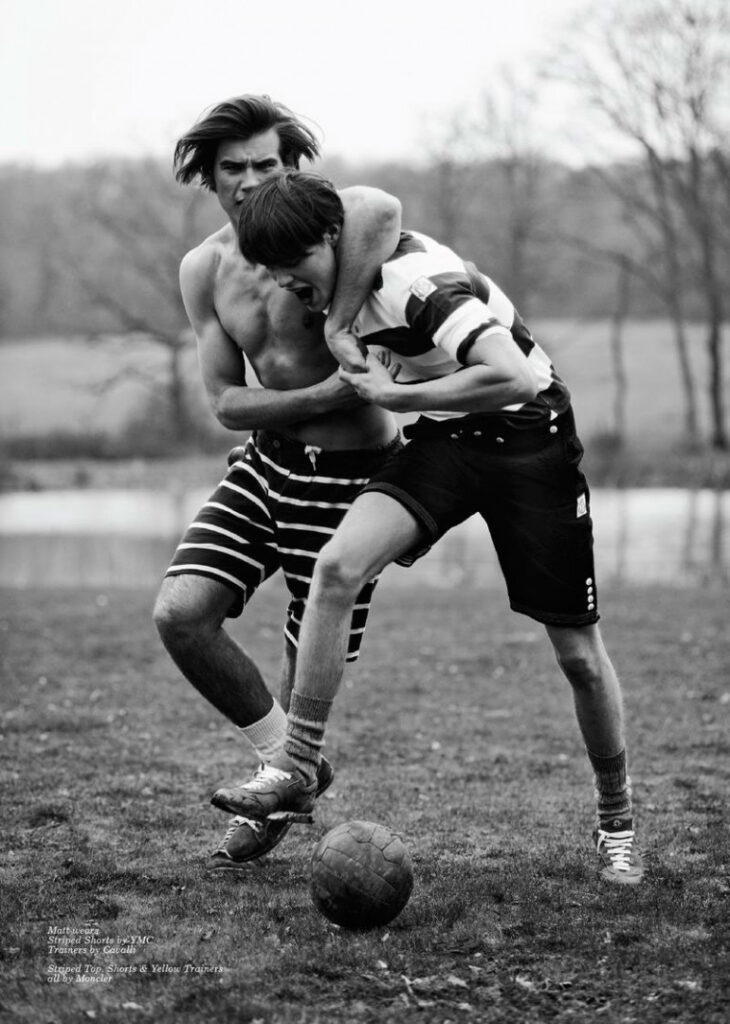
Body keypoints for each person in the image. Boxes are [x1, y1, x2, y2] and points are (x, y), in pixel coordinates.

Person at [222, 170, 645, 886]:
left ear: (334, 240)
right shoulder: (337, 286)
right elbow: (359, 215)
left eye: (297, 268)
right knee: (336, 569)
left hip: (531, 439)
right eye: (279, 274)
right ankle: (296, 764)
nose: (291, 286)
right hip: (448, 441)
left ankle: (617, 820)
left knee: (577, 654)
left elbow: (514, 376)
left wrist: (395, 395)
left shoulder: (415, 285)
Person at [152, 98, 403, 871]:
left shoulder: (335, 228)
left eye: (268, 162)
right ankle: (287, 766)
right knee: (180, 614)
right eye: (234, 168)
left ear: (292, 166)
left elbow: (380, 203)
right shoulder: (204, 269)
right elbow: (228, 403)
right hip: (266, 465)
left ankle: (285, 777)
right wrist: (322, 394)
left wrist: (339, 327)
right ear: (210, 178)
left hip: (352, 480)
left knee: (304, 663)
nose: (252, 178)